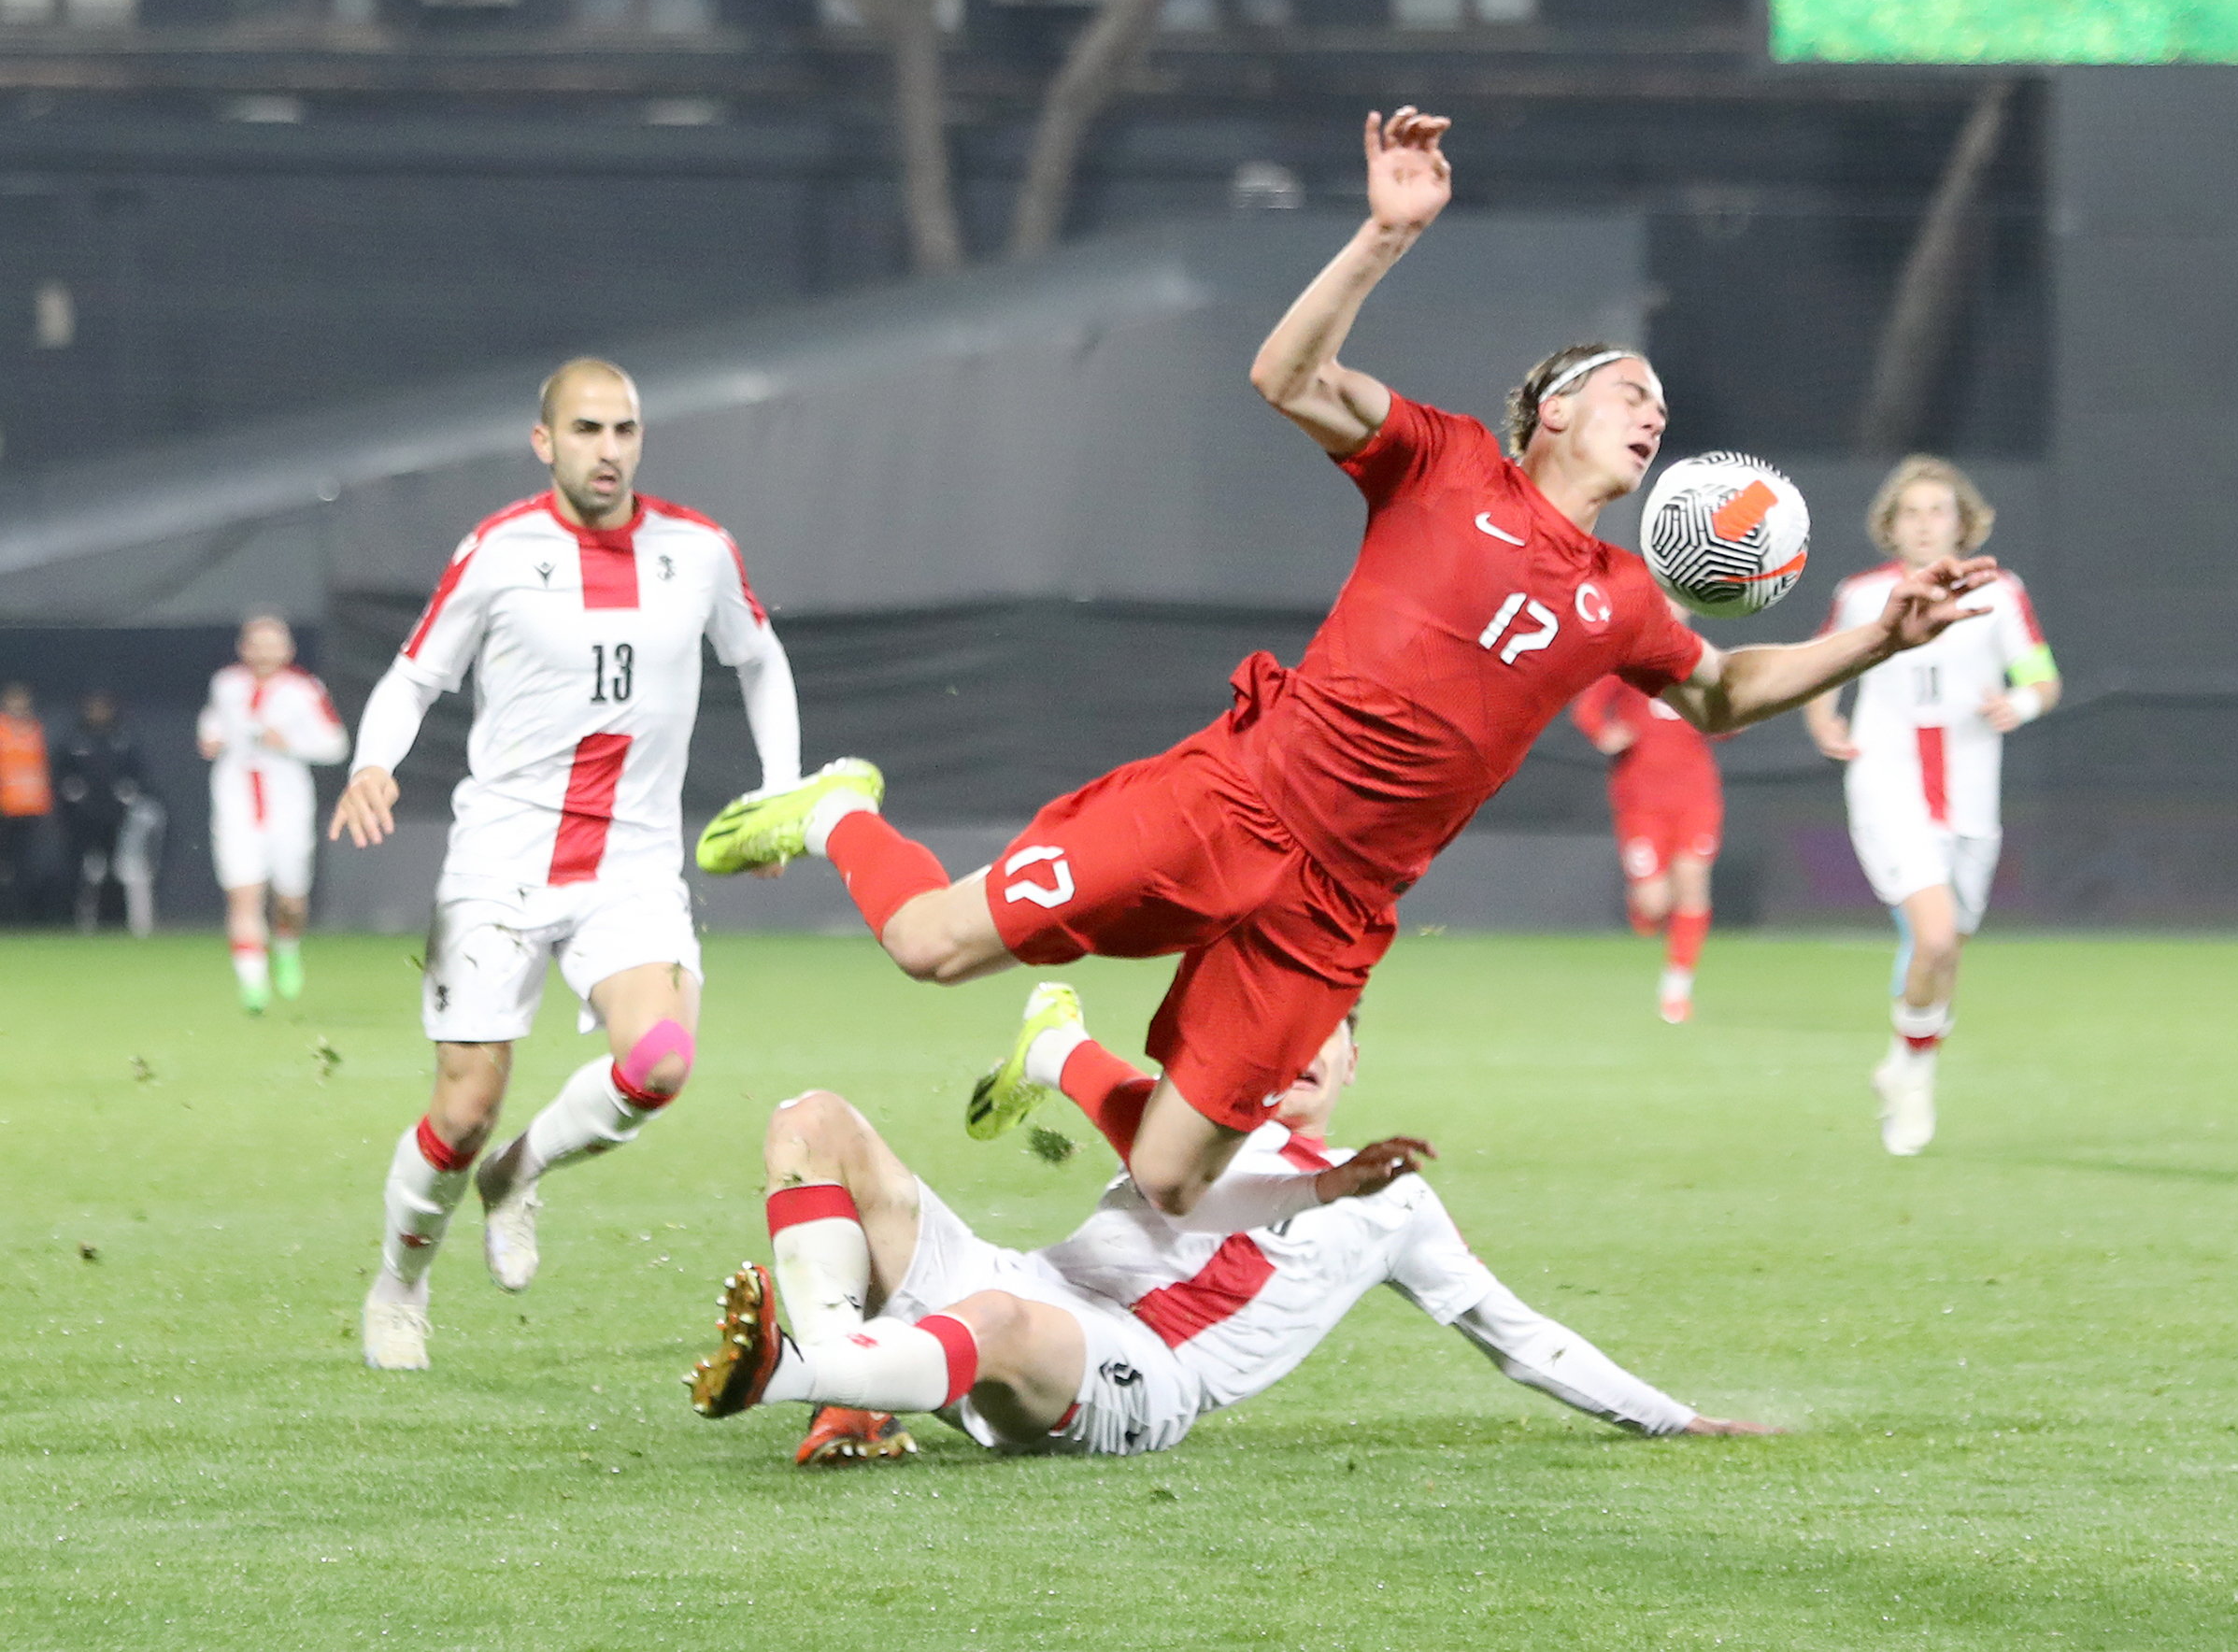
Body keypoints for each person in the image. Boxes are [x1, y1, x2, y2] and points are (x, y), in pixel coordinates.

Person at [695, 106, 1998, 1233]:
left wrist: (1884, 630)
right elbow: (1285, 373)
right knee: (930, 943)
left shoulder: (1619, 597)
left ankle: (1058, 1048)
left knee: (1169, 1178)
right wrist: (1386, 235)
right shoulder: (1442, 462)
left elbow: (1719, 694)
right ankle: (842, 808)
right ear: (1553, 410)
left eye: (1662, 404)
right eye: (1628, 389)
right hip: (1233, 798)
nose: (1653, 411)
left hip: (1339, 905)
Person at [685, 997, 1775, 1460]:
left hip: (1138, 1371)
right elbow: (1153, 1149)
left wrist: (1671, 1418)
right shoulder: (1199, 1124)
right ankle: (845, 1386)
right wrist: (1053, 1042)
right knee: (811, 1119)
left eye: (1329, 1031)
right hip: (1016, 1279)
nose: (1302, 1048)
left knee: (1001, 1316)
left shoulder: (1391, 1203)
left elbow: (1515, 1330)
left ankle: (791, 1370)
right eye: (1283, 1026)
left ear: (1356, 1056)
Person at [329, 356, 809, 1373]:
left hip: (632, 864)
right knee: (460, 1106)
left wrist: (781, 791)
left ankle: (523, 1168)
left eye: (625, 430)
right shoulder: (499, 552)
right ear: (544, 442)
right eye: (587, 430)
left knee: (662, 1062)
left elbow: (760, 659)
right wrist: (374, 761)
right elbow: (415, 676)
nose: (609, 450)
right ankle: (399, 1283)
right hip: (501, 859)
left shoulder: (698, 550)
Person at [1802, 456, 2060, 1158]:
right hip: (1888, 784)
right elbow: (1824, 664)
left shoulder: (2000, 592)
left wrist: (2024, 700)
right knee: (1935, 935)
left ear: (1963, 521)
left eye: (1937, 510)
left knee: (1946, 951)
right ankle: (1914, 1077)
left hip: (1972, 794)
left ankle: (1904, 1060)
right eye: (1910, 512)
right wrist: (1823, 719)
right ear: (1890, 525)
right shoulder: (1861, 595)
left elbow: (2041, 673)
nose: (1924, 523)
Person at [1569, 606, 1725, 1023]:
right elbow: (1587, 710)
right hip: (1640, 799)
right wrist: (1606, 734)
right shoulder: (1628, 660)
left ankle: (1676, 990)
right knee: (1655, 902)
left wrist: (1728, 717)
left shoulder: (1706, 661)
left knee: (1692, 881)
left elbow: (1727, 717)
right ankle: (1648, 909)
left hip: (1695, 794)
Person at [197, 616, 349, 1008]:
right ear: (243, 647)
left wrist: (291, 743)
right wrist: (210, 737)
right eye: (256, 643)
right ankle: (253, 986)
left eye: (273, 643)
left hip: (287, 805)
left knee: (290, 900)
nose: (264, 652)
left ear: (288, 649)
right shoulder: (226, 685)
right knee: (244, 894)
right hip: (236, 800)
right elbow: (212, 719)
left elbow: (335, 745)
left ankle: (286, 946)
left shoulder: (303, 690)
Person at [55, 689, 162, 936]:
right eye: (93, 707)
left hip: (117, 819)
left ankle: (117, 921)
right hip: (82, 819)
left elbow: (136, 775)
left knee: (121, 871)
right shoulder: (74, 739)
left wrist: (124, 798)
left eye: (102, 706)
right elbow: (62, 776)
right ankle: (81, 924)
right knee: (83, 872)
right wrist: (74, 798)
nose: (98, 712)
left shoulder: (122, 738)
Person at [0, 680, 62, 924]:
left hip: (31, 810)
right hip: (5, 809)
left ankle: (20, 919)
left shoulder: (37, 729)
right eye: (14, 699)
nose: (19, 705)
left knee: (25, 868)